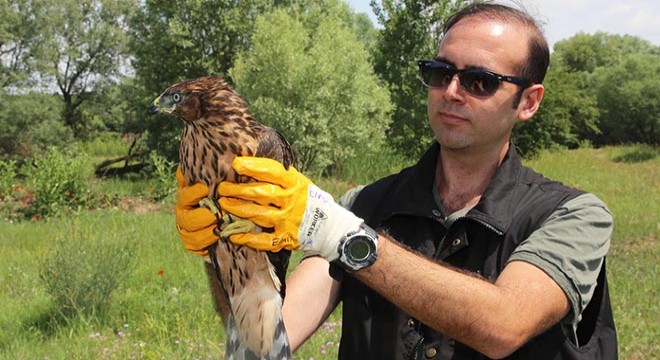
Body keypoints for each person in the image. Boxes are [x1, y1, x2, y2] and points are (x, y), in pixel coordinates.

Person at [174, 3, 617, 359]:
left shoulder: (574, 215)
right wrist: (227, 252)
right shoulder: (363, 203)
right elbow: (264, 340)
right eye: (440, 72)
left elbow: (505, 325)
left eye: (480, 81)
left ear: (528, 101)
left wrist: (336, 232)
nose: (452, 91)